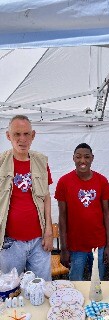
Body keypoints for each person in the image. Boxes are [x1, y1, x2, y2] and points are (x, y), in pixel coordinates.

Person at [0, 115, 53, 281]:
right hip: (10, 243)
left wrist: (49, 231)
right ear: (8, 136)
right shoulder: (1, 163)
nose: (22, 139)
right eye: (16, 134)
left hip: (39, 242)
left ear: (33, 135)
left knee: (42, 289)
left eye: (26, 134)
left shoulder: (41, 162)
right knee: (10, 291)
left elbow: (46, 197)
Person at [55, 143, 109, 280]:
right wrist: (63, 248)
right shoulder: (64, 182)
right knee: (75, 282)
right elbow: (62, 217)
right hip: (75, 246)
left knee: (98, 283)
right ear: (73, 158)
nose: (82, 161)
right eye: (78, 157)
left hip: (98, 244)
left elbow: (107, 214)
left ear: (92, 158)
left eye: (87, 157)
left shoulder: (102, 181)